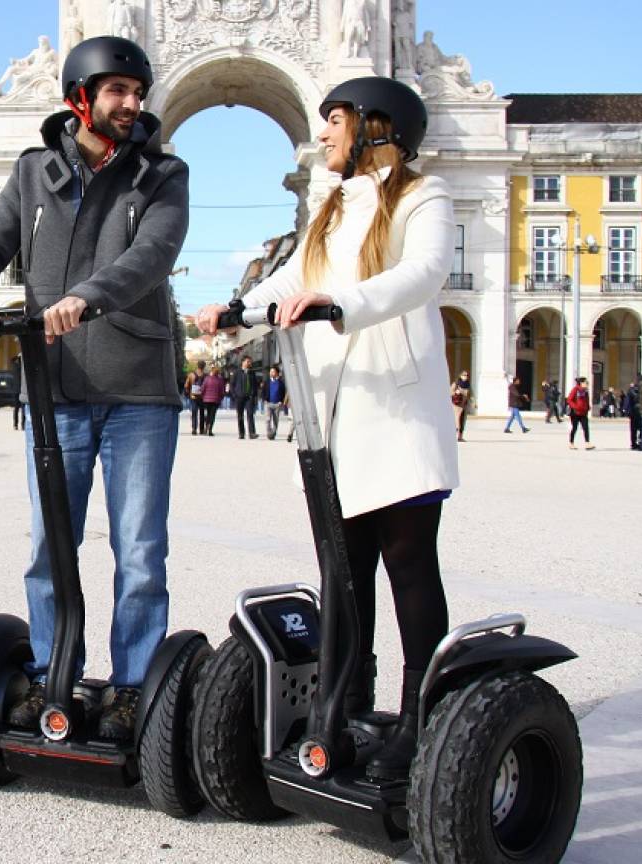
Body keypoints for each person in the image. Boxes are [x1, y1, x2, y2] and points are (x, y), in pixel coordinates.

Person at [197, 76, 457, 780]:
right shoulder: (332, 206)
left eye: (334, 120)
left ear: (377, 125)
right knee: (342, 574)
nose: (322, 134)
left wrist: (340, 301)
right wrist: (235, 308)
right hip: (333, 415)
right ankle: (344, 706)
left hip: (396, 409)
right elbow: (294, 280)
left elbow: (425, 271)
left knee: (408, 566)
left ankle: (420, 717)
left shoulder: (421, 195)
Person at [0, 35, 188, 741]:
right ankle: (55, 672)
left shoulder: (162, 174)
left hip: (140, 392)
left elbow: (153, 255)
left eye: (137, 94)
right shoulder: (33, 174)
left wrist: (88, 296)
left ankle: (132, 688)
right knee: (49, 546)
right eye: (117, 91)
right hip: (55, 391)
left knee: (140, 549)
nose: (131, 104)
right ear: (80, 97)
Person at [230, 355, 261, 439]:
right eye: (248, 361)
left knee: (250, 414)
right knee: (240, 416)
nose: (249, 363)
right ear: (243, 362)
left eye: (250, 362)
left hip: (249, 397)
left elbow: (255, 385)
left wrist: (254, 394)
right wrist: (234, 395)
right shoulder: (237, 372)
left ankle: (252, 433)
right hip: (239, 397)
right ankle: (241, 433)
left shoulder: (252, 373)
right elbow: (232, 385)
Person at [262, 364, 291, 441]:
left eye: (273, 372)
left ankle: (273, 433)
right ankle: (269, 433)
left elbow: (283, 393)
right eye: (270, 372)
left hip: (277, 404)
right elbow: (263, 391)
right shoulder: (267, 382)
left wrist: (281, 402)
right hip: (268, 403)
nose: (271, 373)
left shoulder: (281, 383)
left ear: (277, 373)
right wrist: (264, 400)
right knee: (267, 419)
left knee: (275, 420)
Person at [567, 376, 593, 450]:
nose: (587, 383)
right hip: (575, 413)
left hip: (583, 413)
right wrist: (575, 406)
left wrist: (588, 407)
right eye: (585, 382)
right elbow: (569, 400)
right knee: (574, 428)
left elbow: (586, 400)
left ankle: (587, 443)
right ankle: (571, 443)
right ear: (581, 383)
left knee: (586, 428)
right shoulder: (575, 390)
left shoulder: (586, 391)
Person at [199, 364, 226, 435]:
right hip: (215, 400)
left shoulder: (207, 379)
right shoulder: (220, 380)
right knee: (212, 415)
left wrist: (202, 396)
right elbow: (222, 391)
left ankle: (206, 428)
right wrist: (221, 398)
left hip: (206, 400)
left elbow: (202, 389)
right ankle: (210, 430)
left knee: (207, 414)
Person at [184, 360, 205, 435]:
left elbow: (186, 386)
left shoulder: (191, 375)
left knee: (194, 412)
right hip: (202, 397)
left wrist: (188, 393)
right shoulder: (205, 376)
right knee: (202, 413)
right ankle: (202, 429)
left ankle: (194, 428)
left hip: (193, 396)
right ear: (204, 366)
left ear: (197, 365)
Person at [450, 370, 470, 441]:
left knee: (462, 421)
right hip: (457, 405)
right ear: (460, 376)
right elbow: (450, 392)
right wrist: (456, 392)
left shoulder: (468, 384)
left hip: (464, 405)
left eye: (467, 375)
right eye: (464, 375)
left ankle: (460, 437)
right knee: (457, 420)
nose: (466, 377)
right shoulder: (456, 384)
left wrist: (473, 403)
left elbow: (470, 395)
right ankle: (455, 436)